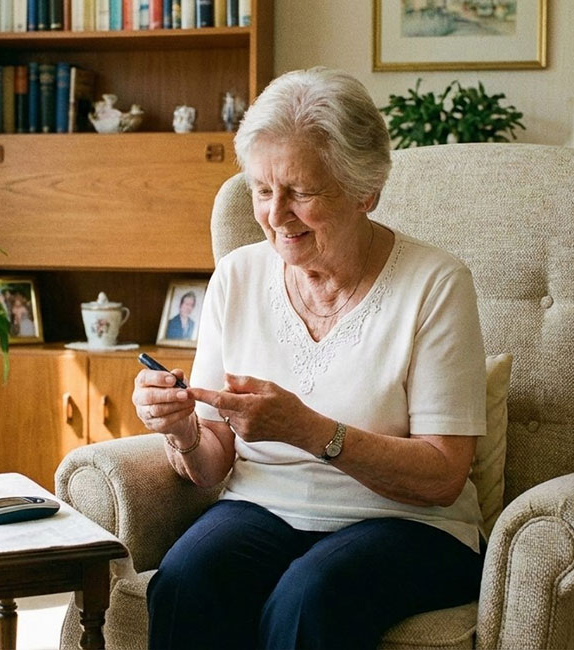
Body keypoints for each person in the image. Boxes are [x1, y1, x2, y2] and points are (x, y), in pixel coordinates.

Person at [133, 67, 487, 650]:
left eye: (300, 192)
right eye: (262, 190)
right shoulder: (237, 277)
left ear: (365, 191)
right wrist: (182, 429)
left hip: (409, 523)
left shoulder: (435, 283)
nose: (276, 214)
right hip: (262, 507)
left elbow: (444, 475)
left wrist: (307, 430)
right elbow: (212, 464)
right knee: (185, 581)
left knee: (309, 596)